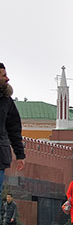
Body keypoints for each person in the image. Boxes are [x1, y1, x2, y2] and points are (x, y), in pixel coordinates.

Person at [0, 63, 26, 195]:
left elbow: (14, 129)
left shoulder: (6, 101)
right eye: (4, 75)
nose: (7, 78)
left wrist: (20, 155)